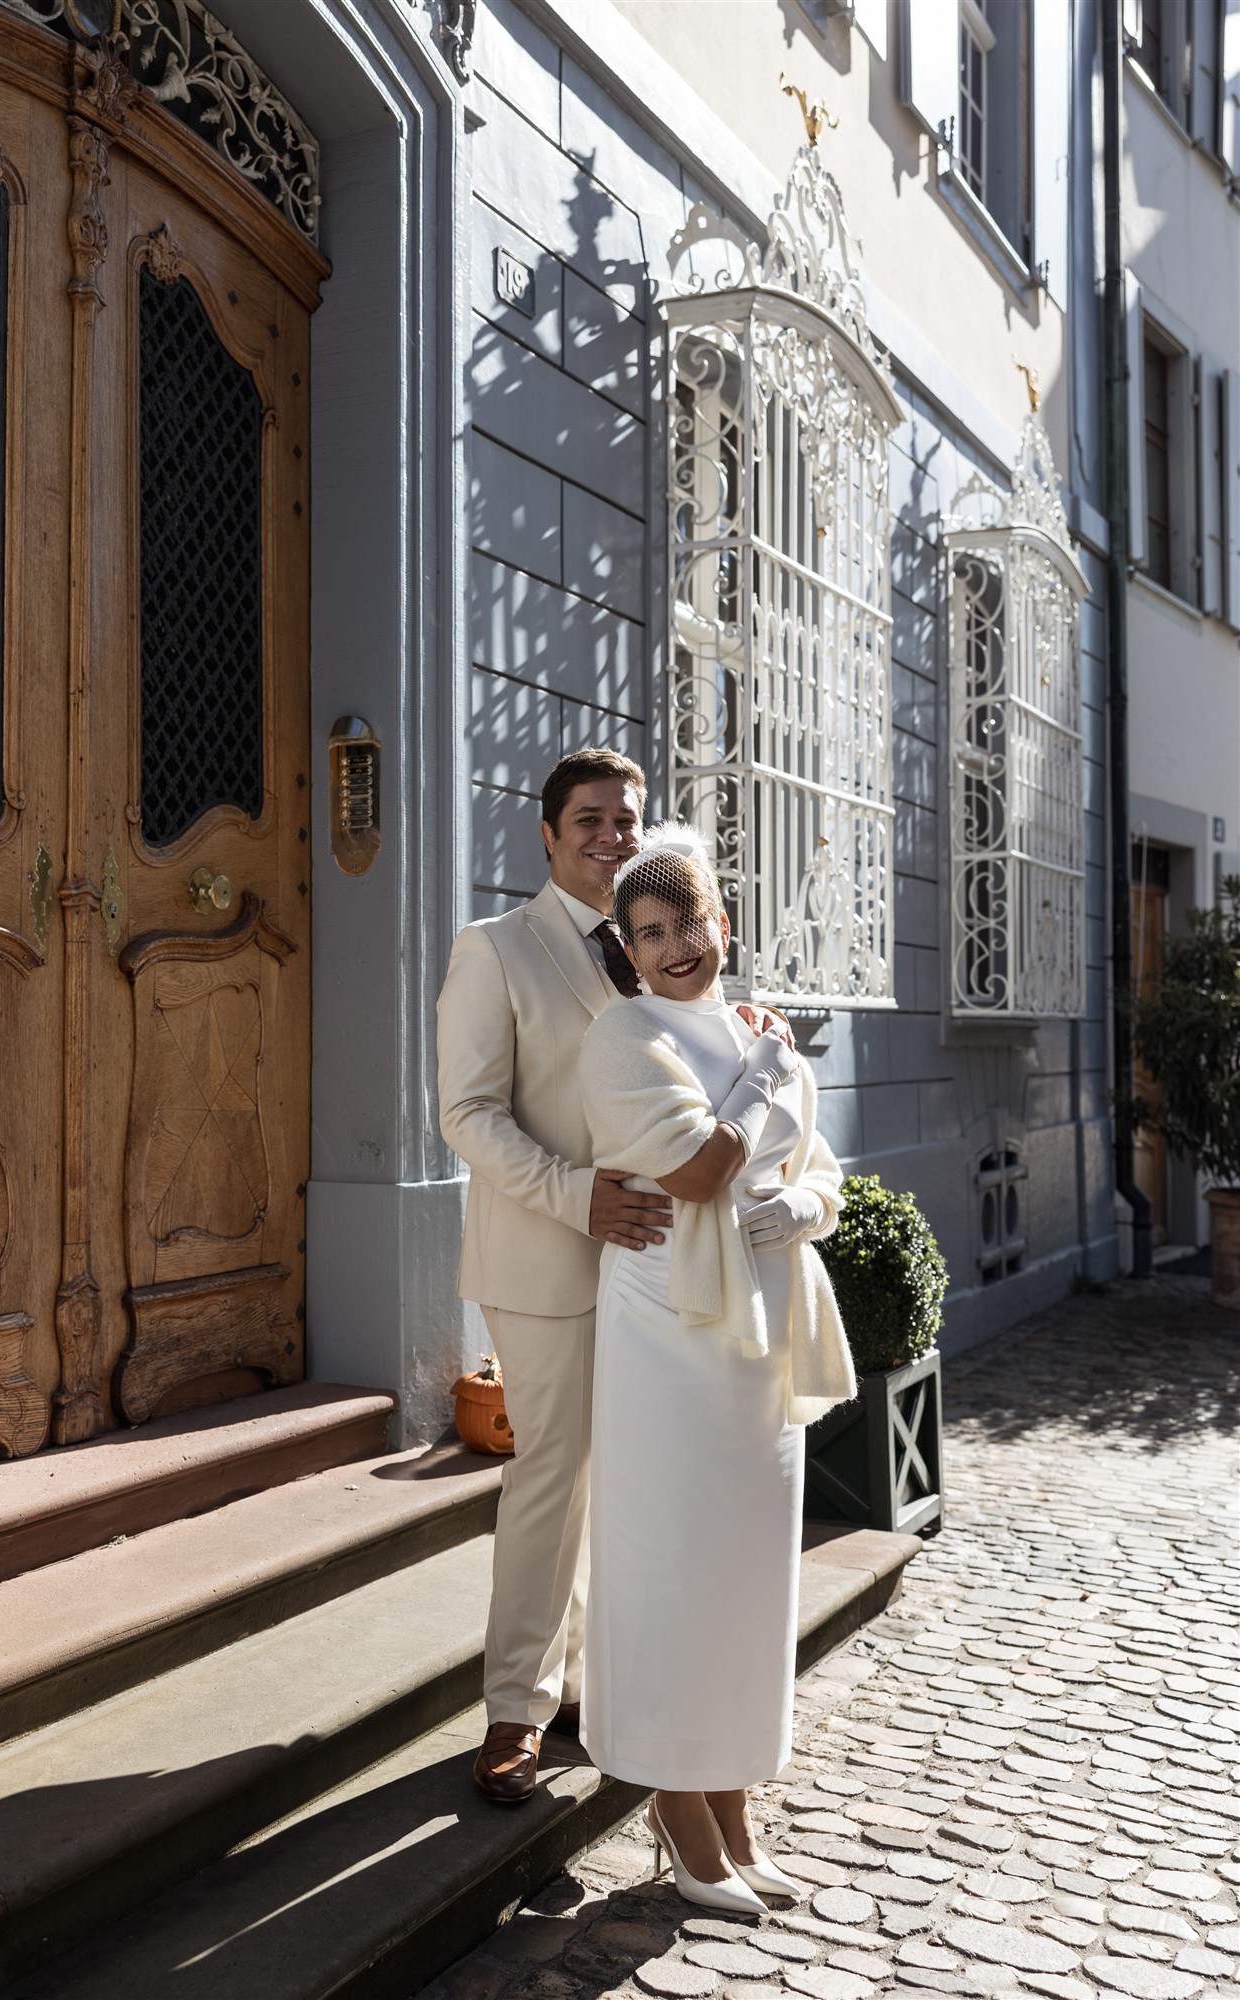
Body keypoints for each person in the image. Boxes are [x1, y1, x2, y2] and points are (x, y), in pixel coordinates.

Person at [576, 823, 856, 1912]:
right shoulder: (623, 1034)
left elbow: (817, 1170)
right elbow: (696, 1172)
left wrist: (800, 1206)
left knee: (747, 1572)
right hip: (668, 1333)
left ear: (721, 922)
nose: (674, 943)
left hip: (760, 1331)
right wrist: (765, 1077)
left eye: (687, 918)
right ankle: (675, 1799)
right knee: (672, 1563)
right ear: (630, 952)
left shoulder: (754, 1026)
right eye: (649, 931)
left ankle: (733, 1796)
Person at [436, 749, 673, 1804]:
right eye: (587, 817)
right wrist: (579, 1195)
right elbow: (467, 1114)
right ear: (547, 832)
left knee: (611, 1478)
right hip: (544, 1255)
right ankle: (514, 1708)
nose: (609, 834)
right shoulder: (495, 947)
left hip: (653, 1266)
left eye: (625, 817)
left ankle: (582, 1683)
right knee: (550, 1474)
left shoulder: (656, 948)